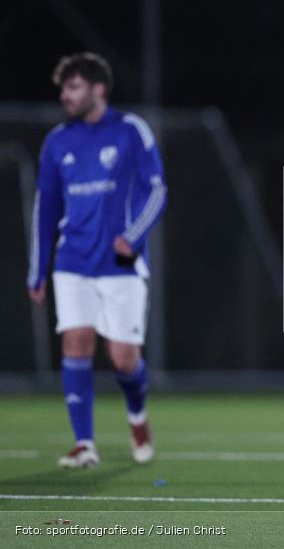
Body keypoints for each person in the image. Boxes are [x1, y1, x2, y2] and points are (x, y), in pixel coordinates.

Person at [27, 52, 167, 468]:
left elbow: (157, 189)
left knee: (123, 358)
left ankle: (137, 416)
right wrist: (38, 268)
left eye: (73, 87)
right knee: (76, 343)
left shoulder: (130, 130)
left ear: (98, 88)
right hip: (71, 261)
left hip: (119, 264)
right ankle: (84, 443)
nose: (65, 96)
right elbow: (45, 207)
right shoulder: (58, 141)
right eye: (63, 89)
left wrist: (134, 236)